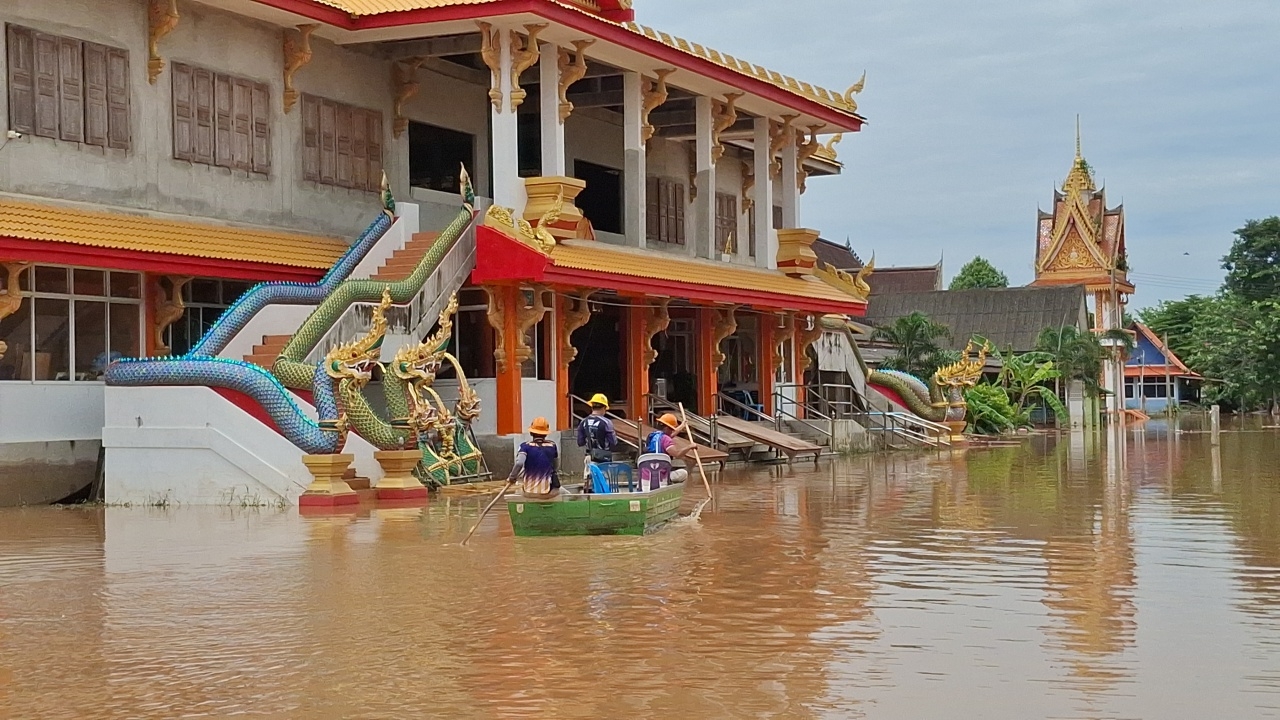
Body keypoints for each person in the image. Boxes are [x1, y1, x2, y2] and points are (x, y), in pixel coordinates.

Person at [509, 417, 560, 498]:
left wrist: (512, 477)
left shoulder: (525, 446)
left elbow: (519, 463)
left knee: (519, 489)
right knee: (560, 490)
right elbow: (556, 467)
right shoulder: (552, 446)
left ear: (531, 433)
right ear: (546, 434)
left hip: (528, 492)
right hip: (547, 493)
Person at [643, 413, 691, 485]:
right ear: (666, 428)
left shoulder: (653, 436)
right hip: (661, 476)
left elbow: (670, 435)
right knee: (683, 473)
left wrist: (682, 426)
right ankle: (667, 483)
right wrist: (690, 447)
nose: (672, 431)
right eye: (671, 429)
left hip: (646, 476)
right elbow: (677, 454)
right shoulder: (666, 439)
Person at [577, 392, 617, 472]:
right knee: (603, 482)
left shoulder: (583, 422)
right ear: (604, 408)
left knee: (589, 481)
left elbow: (580, 442)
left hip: (589, 457)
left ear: (592, 407)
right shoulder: (607, 423)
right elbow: (613, 442)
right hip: (603, 459)